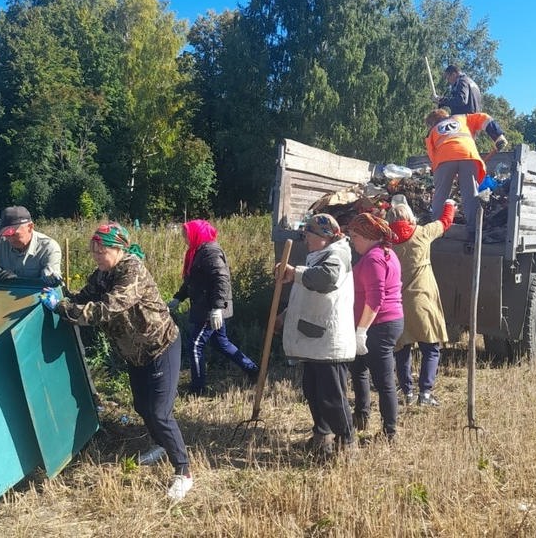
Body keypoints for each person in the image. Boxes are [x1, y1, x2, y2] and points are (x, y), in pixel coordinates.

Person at [45, 222, 194, 501]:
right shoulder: (102, 274)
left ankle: (183, 471)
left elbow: (108, 308)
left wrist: (62, 308)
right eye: (94, 250)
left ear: (119, 249)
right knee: (142, 406)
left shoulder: (131, 270)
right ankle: (162, 445)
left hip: (160, 346)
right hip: (134, 352)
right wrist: (62, 293)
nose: (97, 256)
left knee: (160, 412)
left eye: (102, 251)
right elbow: (84, 298)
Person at [276, 213, 356, 460]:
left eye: (309, 234)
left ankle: (347, 443)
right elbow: (311, 296)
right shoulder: (320, 255)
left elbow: (326, 280)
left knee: (332, 396)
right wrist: (287, 314)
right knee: (313, 390)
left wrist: (295, 273)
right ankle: (322, 437)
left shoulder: (338, 255)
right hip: (315, 339)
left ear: (324, 236)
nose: (305, 239)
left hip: (328, 342)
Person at [168, 219, 259, 395]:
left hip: (210, 309)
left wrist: (217, 309)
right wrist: (178, 298)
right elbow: (192, 281)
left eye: (186, 234)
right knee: (221, 343)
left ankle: (198, 388)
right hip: (207, 308)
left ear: (196, 234)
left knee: (195, 345)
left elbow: (221, 279)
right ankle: (253, 370)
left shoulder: (210, 251)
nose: (184, 238)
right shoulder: (197, 252)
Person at [389, 199, 456, 406]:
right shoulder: (423, 233)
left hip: (398, 302)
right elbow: (445, 222)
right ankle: (425, 393)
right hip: (422, 300)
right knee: (430, 347)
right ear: (410, 217)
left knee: (402, 349)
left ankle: (407, 392)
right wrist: (449, 204)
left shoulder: (387, 242)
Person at [346, 212, 404, 441]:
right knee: (358, 368)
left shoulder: (374, 259)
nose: (353, 241)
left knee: (383, 379)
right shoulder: (384, 253)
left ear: (368, 236)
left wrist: (361, 331)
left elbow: (375, 299)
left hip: (379, 325)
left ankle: (390, 431)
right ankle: (361, 415)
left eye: (355, 236)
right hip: (381, 323)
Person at [424, 108, 508, 241]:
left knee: (440, 195)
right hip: (468, 155)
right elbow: (484, 118)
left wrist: (446, 174)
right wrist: (498, 136)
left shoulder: (432, 132)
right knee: (470, 195)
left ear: (432, 122)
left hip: (444, 158)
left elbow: (432, 156)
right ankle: (473, 231)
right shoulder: (462, 118)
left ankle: (437, 230)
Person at [0, 205, 63, 286]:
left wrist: (18, 280)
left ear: (30, 227)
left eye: (14, 234)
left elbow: (50, 282)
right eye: (6, 234)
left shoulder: (48, 247)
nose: (10, 239)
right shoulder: (0, 245)